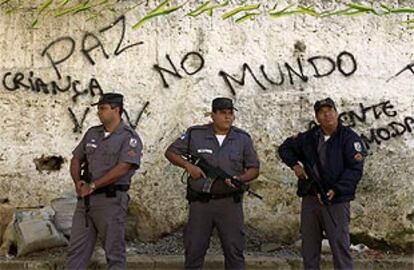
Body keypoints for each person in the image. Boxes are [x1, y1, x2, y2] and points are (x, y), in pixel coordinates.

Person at [165, 97, 260, 270]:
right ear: (213, 115)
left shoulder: (242, 138)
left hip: (229, 204)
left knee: (234, 251)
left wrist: (240, 179)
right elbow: (171, 152)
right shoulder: (195, 134)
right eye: (223, 113)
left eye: (230, 113)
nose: (227, 117)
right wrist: (188, 166)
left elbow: (254, 169)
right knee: (194, 250)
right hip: (201, 204)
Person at [278, 97, 366, 270]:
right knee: (309, 247)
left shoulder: (349, 138)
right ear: (317, 117)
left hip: (336, 201)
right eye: (322, 112)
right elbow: (285, 148)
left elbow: (354, 170)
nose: (327, 115)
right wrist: (295, 165)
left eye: (330, 111)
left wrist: (337, 189)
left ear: (336, 113)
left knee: (340, 247)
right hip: (311, 199)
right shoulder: (309, 137)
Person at [66, 93, 143, 270]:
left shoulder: (129, 137)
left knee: (114, 252)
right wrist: (78, 181)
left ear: (117, 110)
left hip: (111, 201)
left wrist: (94, 185)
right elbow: (76, 158)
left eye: (103, 108)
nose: (98, 112)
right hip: (86, 201)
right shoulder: (93, 133)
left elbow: (124, 167)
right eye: (98, 108)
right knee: (76, 250)